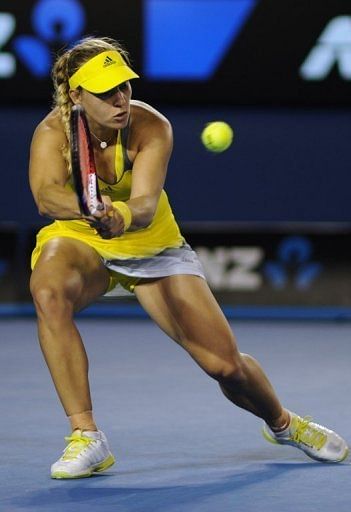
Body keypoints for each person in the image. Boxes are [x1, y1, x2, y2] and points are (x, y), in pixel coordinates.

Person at [29, 36, 348, 480]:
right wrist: (89, 212)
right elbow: (46, 195)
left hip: (152, 246)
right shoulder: (52, 132)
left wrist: (118, 214)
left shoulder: (150, 127)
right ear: (76, 95)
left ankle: (284, 424)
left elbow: (143, 205)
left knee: (224, 365)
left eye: (124, 86)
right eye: (106, 92)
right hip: (82, 241)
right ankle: (87, 436)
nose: (121, 99)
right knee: (47, 292)